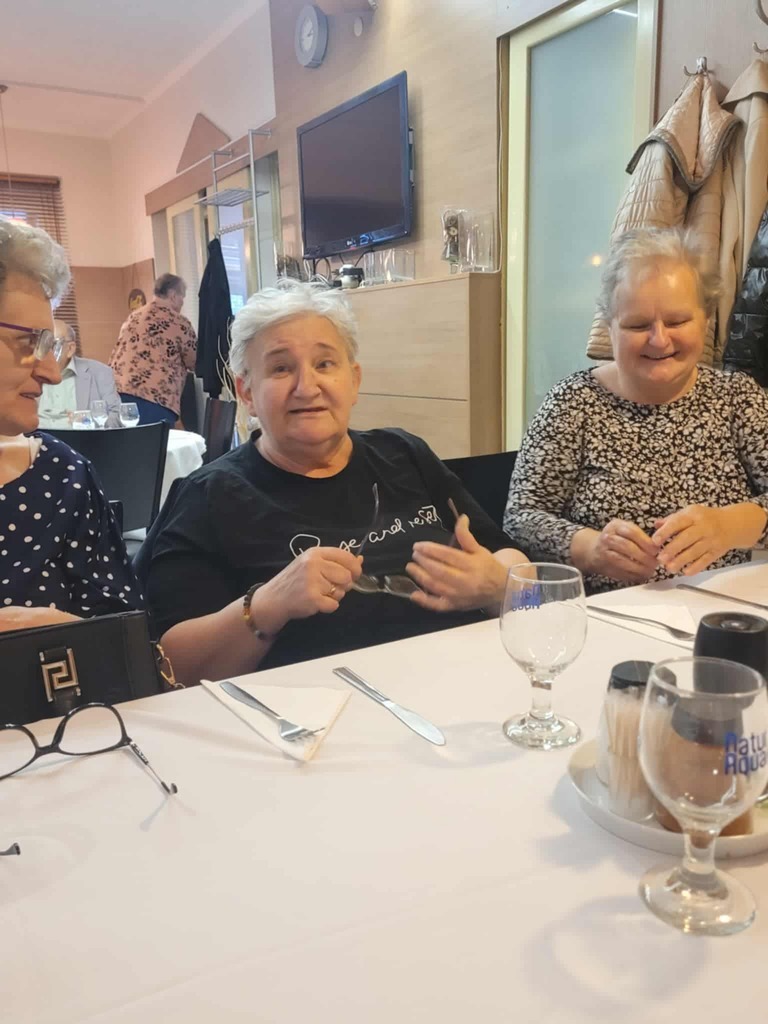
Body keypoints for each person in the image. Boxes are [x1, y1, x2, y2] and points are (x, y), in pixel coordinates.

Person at [145, 279, 528, 686]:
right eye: (280, 368)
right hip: (312, 714)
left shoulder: (404, 452)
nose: (307, 387)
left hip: (464, 685)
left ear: (354, 380)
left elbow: (515, 563)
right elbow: (172, 668)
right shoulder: (207, 495)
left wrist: (497, 584)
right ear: (247, 392)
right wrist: (267, 606)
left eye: (325, 364)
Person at [504, 227, 768, 594]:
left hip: (719, 609)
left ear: (706, 319)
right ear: (609, 328)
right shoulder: (573, 402)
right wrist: (591, 548)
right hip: (602, 612)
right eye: (637, 325)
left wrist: (730, 525)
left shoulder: (738, 398)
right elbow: (520, 517)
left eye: (677, 321)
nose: (659, 339)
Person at [0, 217, 141, 632]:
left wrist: (67, 634)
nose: (51, 372)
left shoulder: (63, 476)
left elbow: (128, 637)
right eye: (29, 342)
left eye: (51, 345)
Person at [110, 273, 196, 425]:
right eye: (182, 297)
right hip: (155, 398)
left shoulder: (133, 317)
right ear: (173, 295)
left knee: (128, 439)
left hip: (119, 393)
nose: (182, 302)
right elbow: (194, 361)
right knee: (156, 440)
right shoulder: (178, 322)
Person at [37, 320, 121, 428]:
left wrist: (87, 422)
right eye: (41, 344)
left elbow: (116, 416)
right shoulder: (27, 373)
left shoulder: (100, 372)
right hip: (35, 437)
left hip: (80, 437)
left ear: (70, 349)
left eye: (52, 345)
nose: (44, 351)